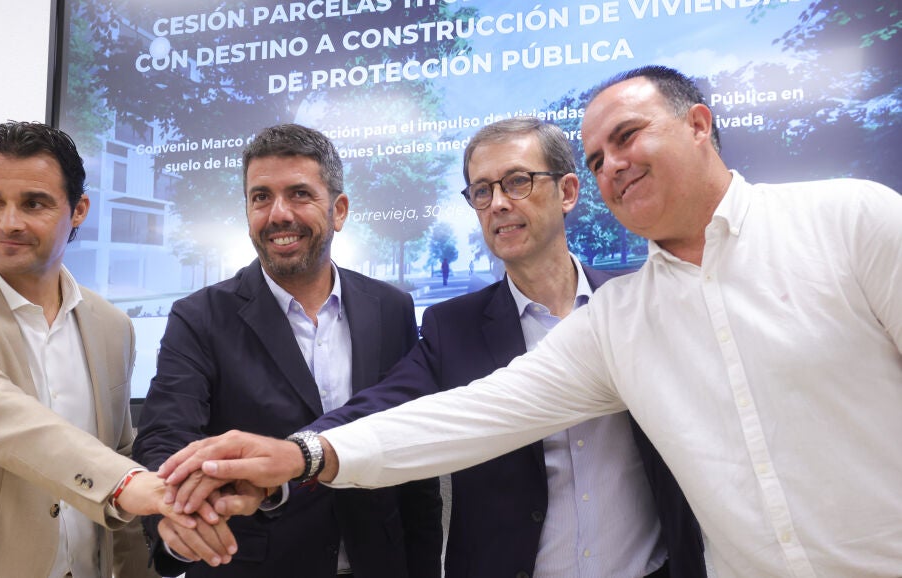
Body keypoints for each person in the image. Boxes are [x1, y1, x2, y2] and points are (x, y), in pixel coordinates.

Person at [160, 66, 902, 577]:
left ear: (699, 124)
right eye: (599, 155)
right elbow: (467, 415)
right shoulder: (622, 320)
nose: (614, 165)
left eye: (628, 136)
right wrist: (300, 455)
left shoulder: (849, 219)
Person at [304, 117, 702, 577]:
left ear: (567, 191)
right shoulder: (453, 327)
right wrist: (298, 451)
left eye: (517, 182)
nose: (497, 203)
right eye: (481, 191)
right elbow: (383, 406)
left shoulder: (637, 304)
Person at [0, 121, 205, 578]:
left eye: (33, 203)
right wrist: (124, 483)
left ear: (78, 210)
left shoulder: (112, 326)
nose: (9, 223)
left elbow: (121, 451)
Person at [131, 124, 442, 577]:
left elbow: (414, 453)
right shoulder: (199, 317)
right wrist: (173, 515)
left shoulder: (391, 308)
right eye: (261, 197)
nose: (278, 214)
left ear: (338, 210)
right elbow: (164, 437)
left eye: (299, 194)